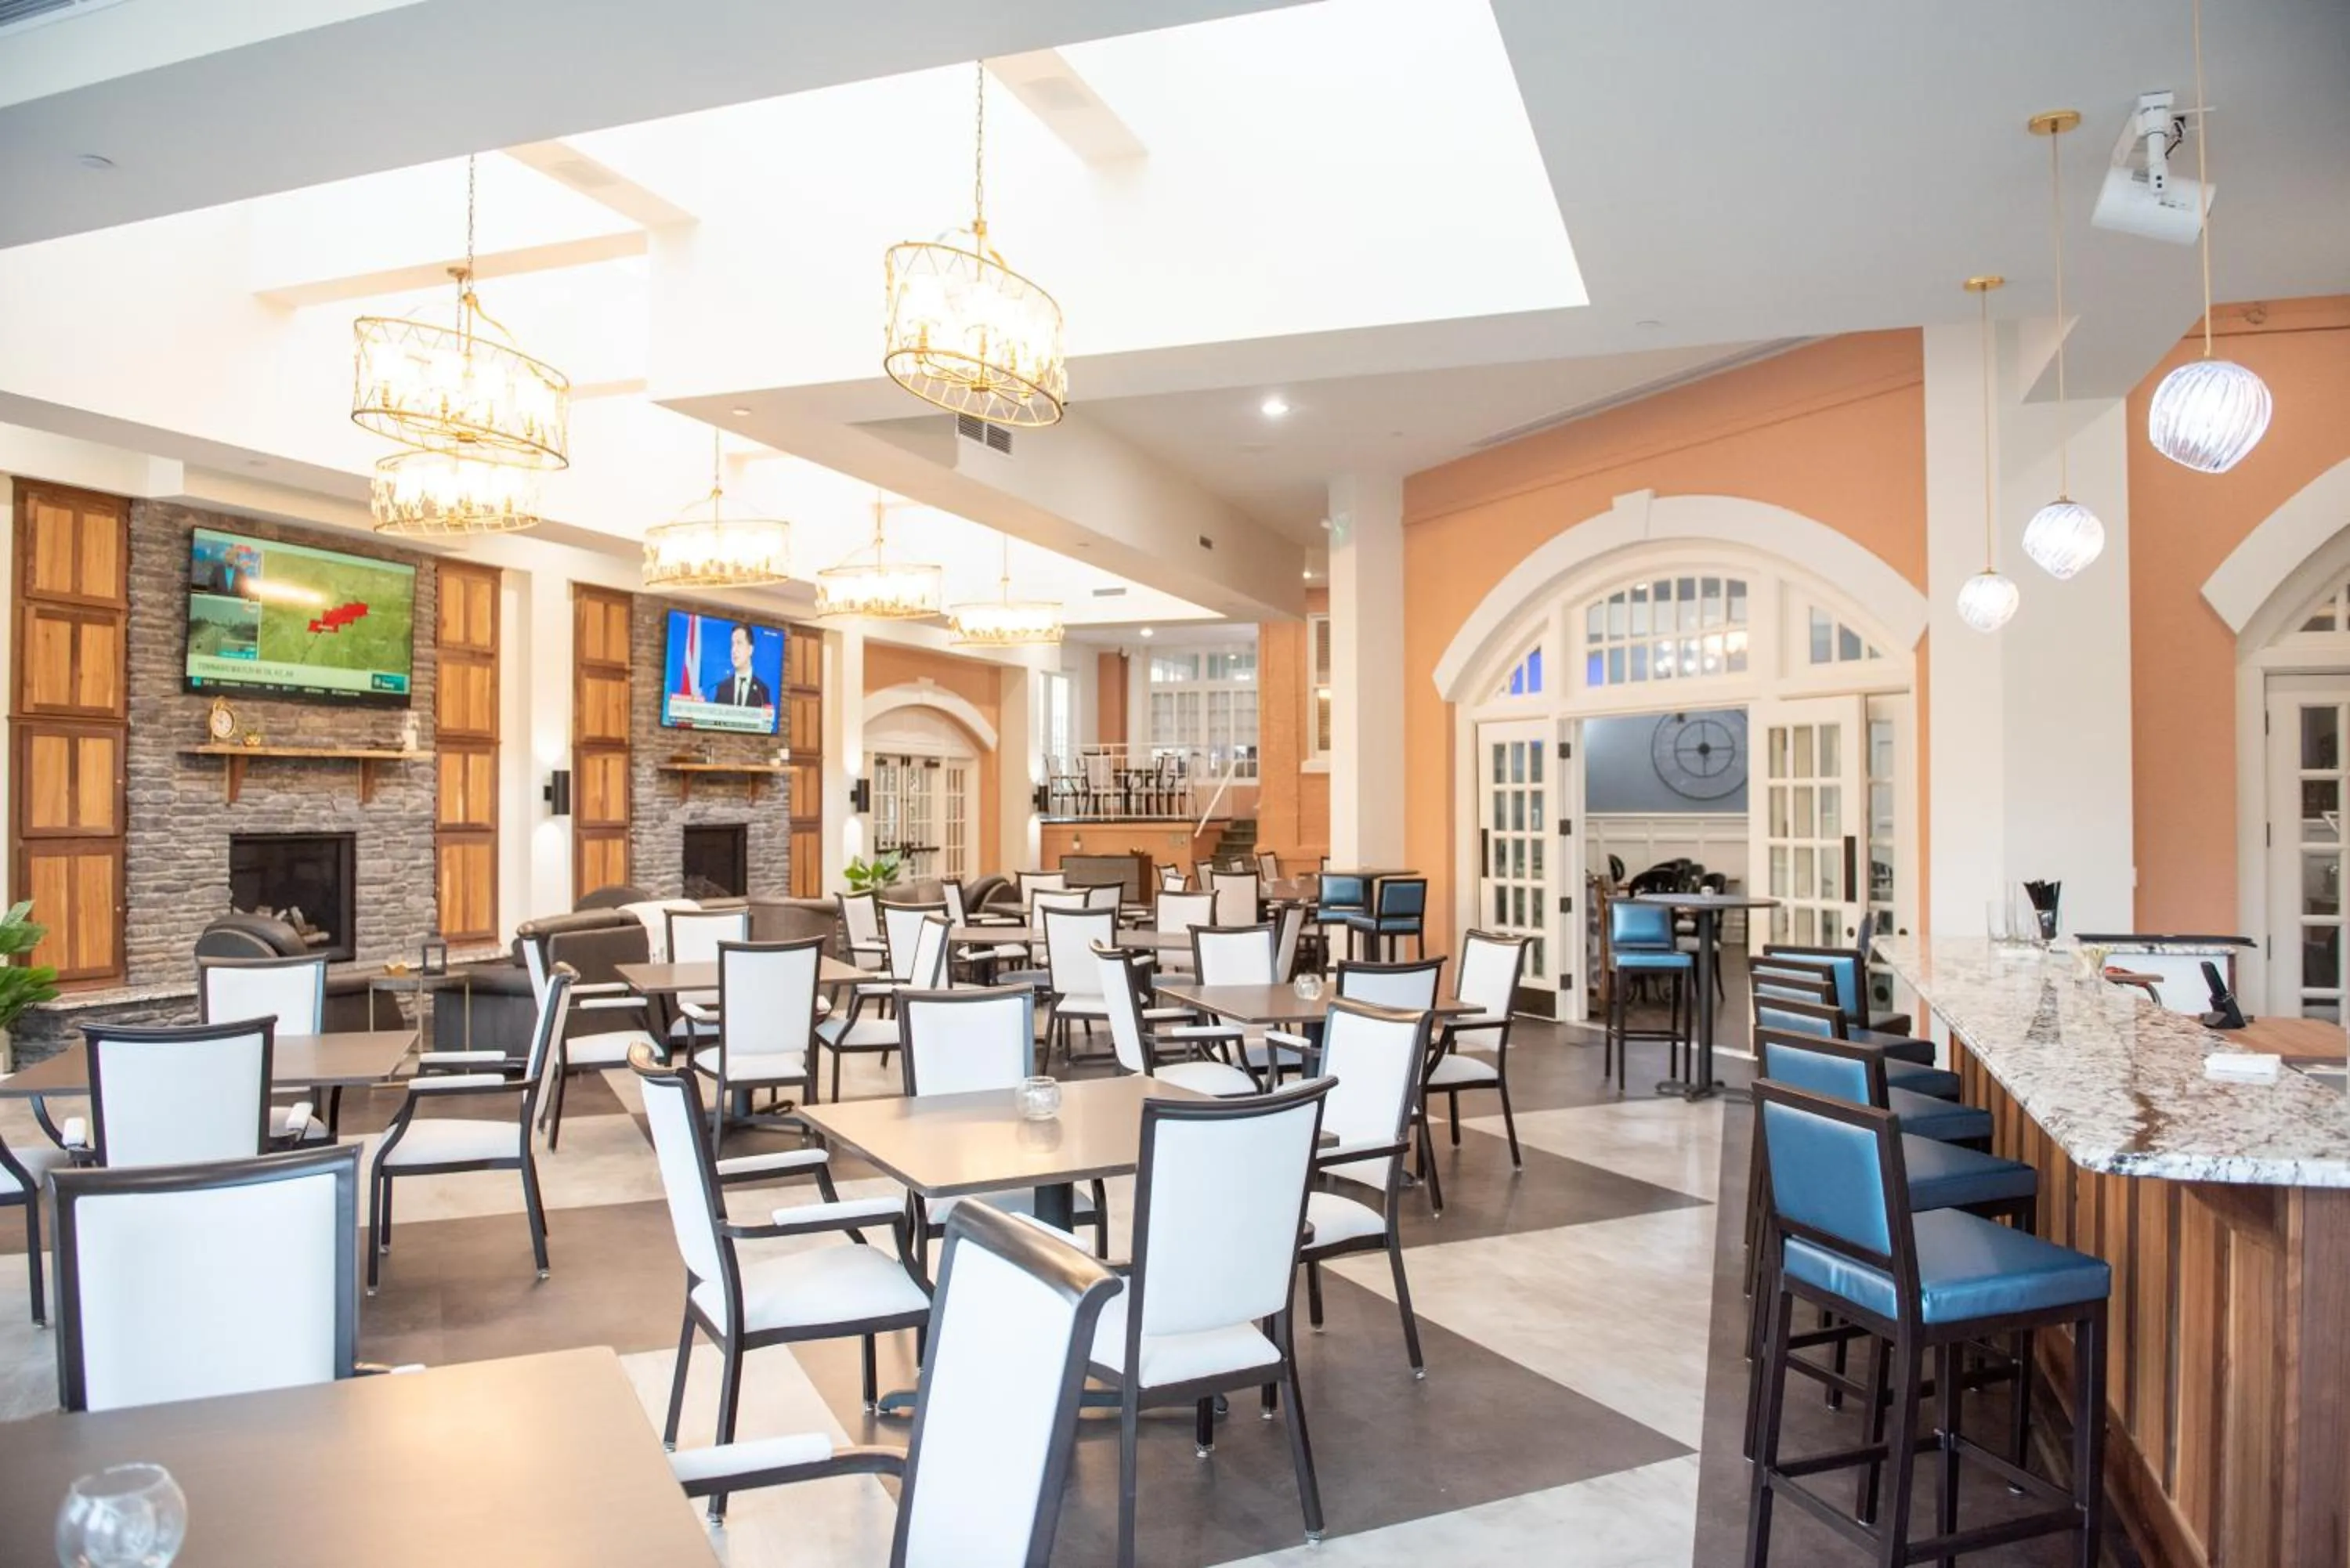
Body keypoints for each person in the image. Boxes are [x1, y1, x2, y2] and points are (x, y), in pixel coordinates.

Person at [719, 622, 772, 707]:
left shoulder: (762, 691)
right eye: (732, 644)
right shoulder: (722, 688)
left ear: (750, 650)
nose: (734, 650)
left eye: (739, 643)